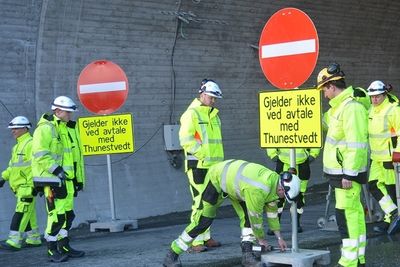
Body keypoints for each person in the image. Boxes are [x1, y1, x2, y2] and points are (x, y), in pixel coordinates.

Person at [163, 159, 301, 267]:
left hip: (236, 185)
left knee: (247, 218)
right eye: (285, 197)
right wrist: (261, 240)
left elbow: (272, 213)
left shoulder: (275, 183)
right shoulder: (258, 189)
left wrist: (279, 237)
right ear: (282, 189)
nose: (283, 199)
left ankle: (247, 257)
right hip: (217, 178)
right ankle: (172, 254)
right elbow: (256, 220)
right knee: (203, 221)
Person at [317, 63, 368, 267]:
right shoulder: (338, 108)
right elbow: (325, 124)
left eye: (323, 90)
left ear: (331, 86)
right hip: (341, 173)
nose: (323, 95)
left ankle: (349, 261)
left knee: (347, 216)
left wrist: (349, 173)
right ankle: (358, 258)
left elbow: (357, 144)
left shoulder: (351, 108)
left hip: (346, 174)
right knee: (351, 214)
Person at [31, 96, 84, 262]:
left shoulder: (68, 128)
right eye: (68, 112)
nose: (70, 115)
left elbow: (75, 157)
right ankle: (51, 250)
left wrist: (78, 179)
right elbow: (40, 153)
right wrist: (57, 170)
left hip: (67, 181)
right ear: (58, 111)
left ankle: (64, 246)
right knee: (56, 216)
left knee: (68, 215)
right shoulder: (46, 128)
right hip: (52, 180)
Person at [178, 79, 224, 252]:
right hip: (198, 165)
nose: (213, 101)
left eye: (215, 98)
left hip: (214, 167)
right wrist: (203, 155)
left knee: (210, 203)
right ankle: (195, 241)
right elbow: (186, 140)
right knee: (199, 203)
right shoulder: (192, 114)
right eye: (211, 97)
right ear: (202, 94)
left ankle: (206, 236)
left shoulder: (213, 115)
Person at [0, 116, 42, 250]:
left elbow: (37, 165)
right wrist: (3, 178)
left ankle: (14, 241)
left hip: (28, 187)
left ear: (25, 128)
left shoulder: (31, 144)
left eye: (16, 128)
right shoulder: (17, 146)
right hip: (19, 187)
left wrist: (37, 184)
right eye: (12, 129)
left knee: (21, 213)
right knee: (29, 213)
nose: (13, 131)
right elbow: (13, 167)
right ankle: (34, 238)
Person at [366, 80, 400, 233]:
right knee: (373, 185)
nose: (374, 99)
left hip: (389, 158)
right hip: (376, 158)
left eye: (377, 96)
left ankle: (390, 219)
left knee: (391, 189)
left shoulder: (393, 109)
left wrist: (397, 154)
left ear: (384, 94)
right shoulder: (372, 110)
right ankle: (394, 213)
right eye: (372, 97)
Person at [266, 148, 320, 233]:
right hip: (283, 163)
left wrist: (313, 154)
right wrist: (272, 154)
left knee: (299, 197)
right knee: (279, 196)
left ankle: (295, 223)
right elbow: (270, 137)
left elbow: (315, 137)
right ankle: (274, 225)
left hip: (302, 165)